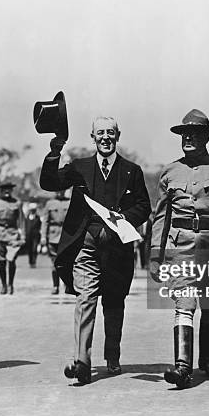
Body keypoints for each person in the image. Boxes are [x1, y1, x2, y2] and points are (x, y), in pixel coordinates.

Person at [40, 116, 151, 384]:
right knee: (86, 299)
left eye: (110, 133)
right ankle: (82, 362)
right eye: (100, 133)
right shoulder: (79, 167)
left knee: (114, 304)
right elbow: (50, 183)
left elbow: (144, 207)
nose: (105, 137)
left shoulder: (131, 170)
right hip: (85, 246)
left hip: (117, 249)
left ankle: (112, 355)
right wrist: (54, 153)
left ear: (117, 136)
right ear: (92, 137)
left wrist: (123, 218)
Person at [149, 109, 209, 388]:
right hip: (181, 245)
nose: (189, 138)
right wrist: (156, 255)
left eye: (195, 134)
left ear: (206, 137)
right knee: (185, 301)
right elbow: (160, 217)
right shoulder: (170, 172)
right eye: (185, 134)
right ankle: (182, 366)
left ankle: (206, 359)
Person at [0, 182, 23, 294]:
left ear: (12, 191)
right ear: (1, 191)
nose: (6, 191)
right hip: (0, 235)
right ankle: (3, 285)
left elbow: (21, 220)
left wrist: (22, 235)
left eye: (9, 190)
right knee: (1, 262)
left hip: (12, 234)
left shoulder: (17, 203)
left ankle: (11, 284)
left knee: (11, 260)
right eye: (4, 190)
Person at [41, 190, 70, 294]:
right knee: (54, 263)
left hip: (66, 236)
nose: (61, 193)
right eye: (59, 190)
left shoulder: (70, 202)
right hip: (52, 236)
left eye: (63, 191)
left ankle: (67, 285)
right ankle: (55, 286)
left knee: (67, 262)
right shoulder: (50, 204)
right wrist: (43, 237)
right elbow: (45, 221)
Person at [24, 203, 42, 268]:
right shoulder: (27, 218)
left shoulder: (38, 218)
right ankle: (30, 262)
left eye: (34, 209)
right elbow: (25, 226)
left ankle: (34, 261)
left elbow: (40, 227)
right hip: (28, 236)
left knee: (34, 249)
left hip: (36, 236)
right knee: (29, 250)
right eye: (32, 209)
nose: (33, 211)